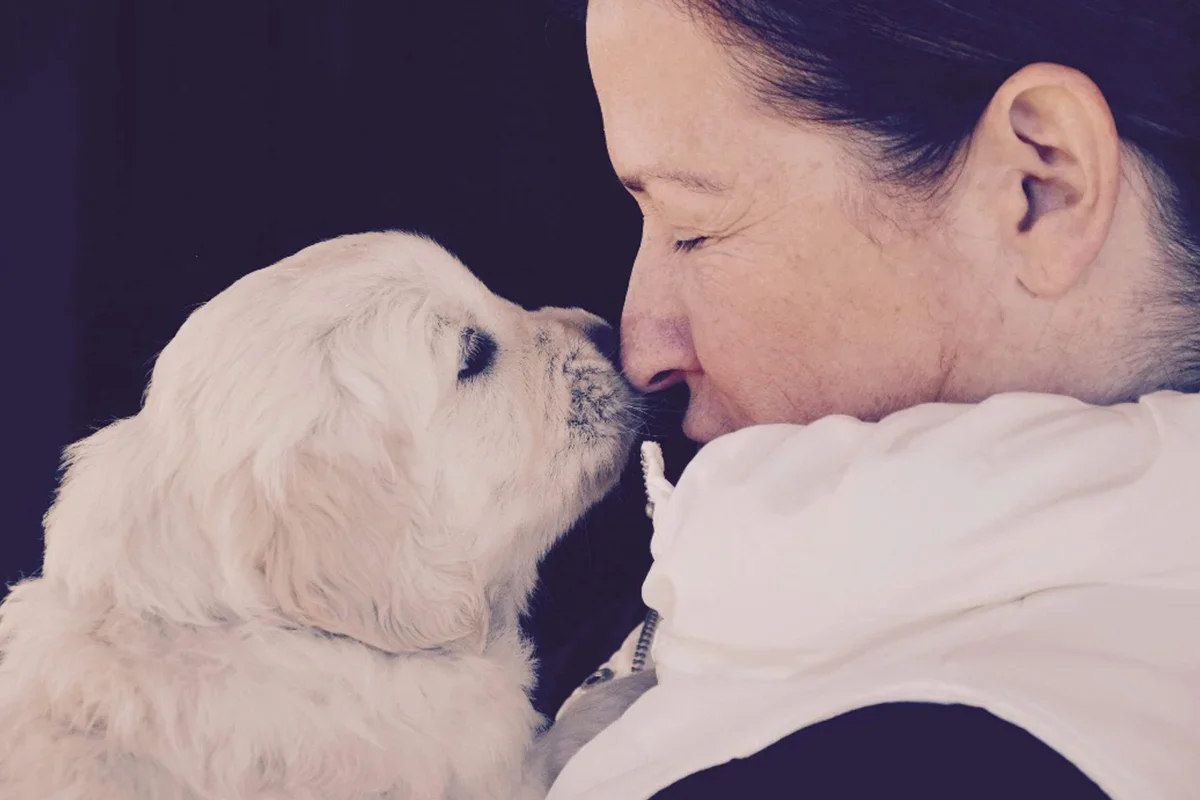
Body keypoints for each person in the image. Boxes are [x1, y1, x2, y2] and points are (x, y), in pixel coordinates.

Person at [539, 0, 1200, 797]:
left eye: (693, 228)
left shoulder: (913, 763)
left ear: (1040, 185)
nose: (641, 350)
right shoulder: (792, 612)